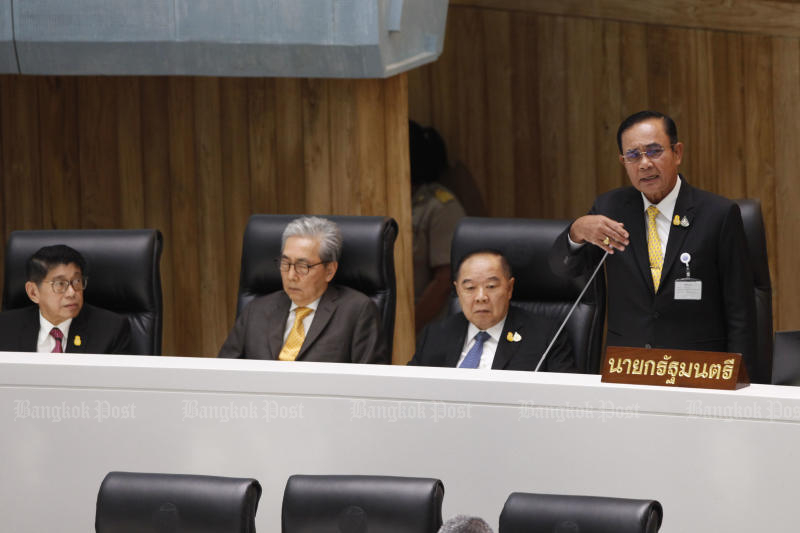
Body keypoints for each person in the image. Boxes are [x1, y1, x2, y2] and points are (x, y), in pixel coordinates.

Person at [549, 110, 758, 380]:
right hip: (629, 366)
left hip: (698, 369)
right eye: (633, 156)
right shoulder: (610, 209)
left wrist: (741, 384)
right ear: (623, 162)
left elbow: (740, 310)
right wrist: (576, 232)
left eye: (654, 151)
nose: (644, 164)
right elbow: (563, 268)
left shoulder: (717, 214)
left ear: (677, 153)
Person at [218, 216, 389, 363]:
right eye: (285, 263)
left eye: (302, 266)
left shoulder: (356, 312)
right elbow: (223, 373)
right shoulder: (256, 311)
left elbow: (369, 385)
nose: (291, 275)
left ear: (329, 271)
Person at [408, 249, 575, 371]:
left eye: (491, 286)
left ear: (509, 289)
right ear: (458, 290)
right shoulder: (435, 335)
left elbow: (564, 399)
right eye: (470, 287)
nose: (481, 297)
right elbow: (409, 392)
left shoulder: (546, 337)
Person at [0, 244, 131, 354]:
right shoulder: (5, 328)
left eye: (77, 281)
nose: (71, 293)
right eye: (60, 284)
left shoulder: (110, 330)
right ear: (33, 292)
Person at [410, 120, 466, 332]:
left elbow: (444, 281)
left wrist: (408, 326)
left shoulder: (440, 207)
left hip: (427, 325)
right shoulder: (384, 202)